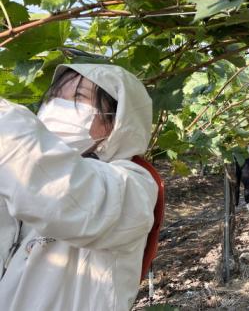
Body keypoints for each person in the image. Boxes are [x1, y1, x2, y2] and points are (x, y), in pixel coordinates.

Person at [0, 63, 157, 311]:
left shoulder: (133, 186)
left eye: (78, 97)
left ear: (117, 123)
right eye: (55, 96)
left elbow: (58, 193)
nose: (57, 106)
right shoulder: (18, 181)